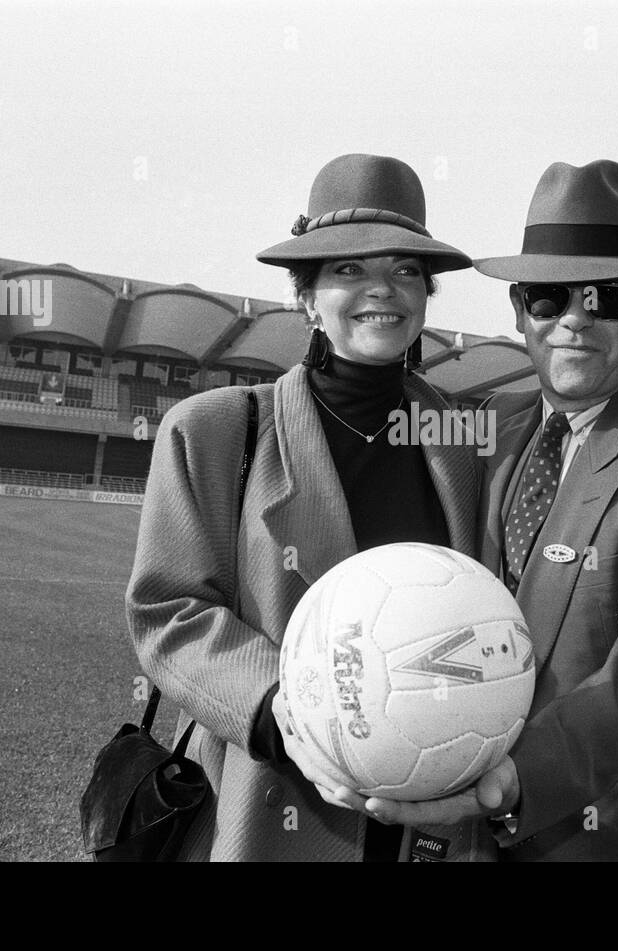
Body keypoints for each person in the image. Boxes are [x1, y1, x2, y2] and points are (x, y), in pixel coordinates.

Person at [363, 159, 618, 860]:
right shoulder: (486, 431)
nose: (575, 318)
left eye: (604, 296)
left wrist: (512, 779)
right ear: (518, 309)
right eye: (549, 297)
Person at [125, 153, 491, 861]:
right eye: (348, 269)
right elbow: (168, 611)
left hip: (428, 810)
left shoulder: (466, 445)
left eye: (406, 270)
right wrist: (283, 709)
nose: (382, 290)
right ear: (306, 295)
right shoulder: (215, 430)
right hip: (275, 798)